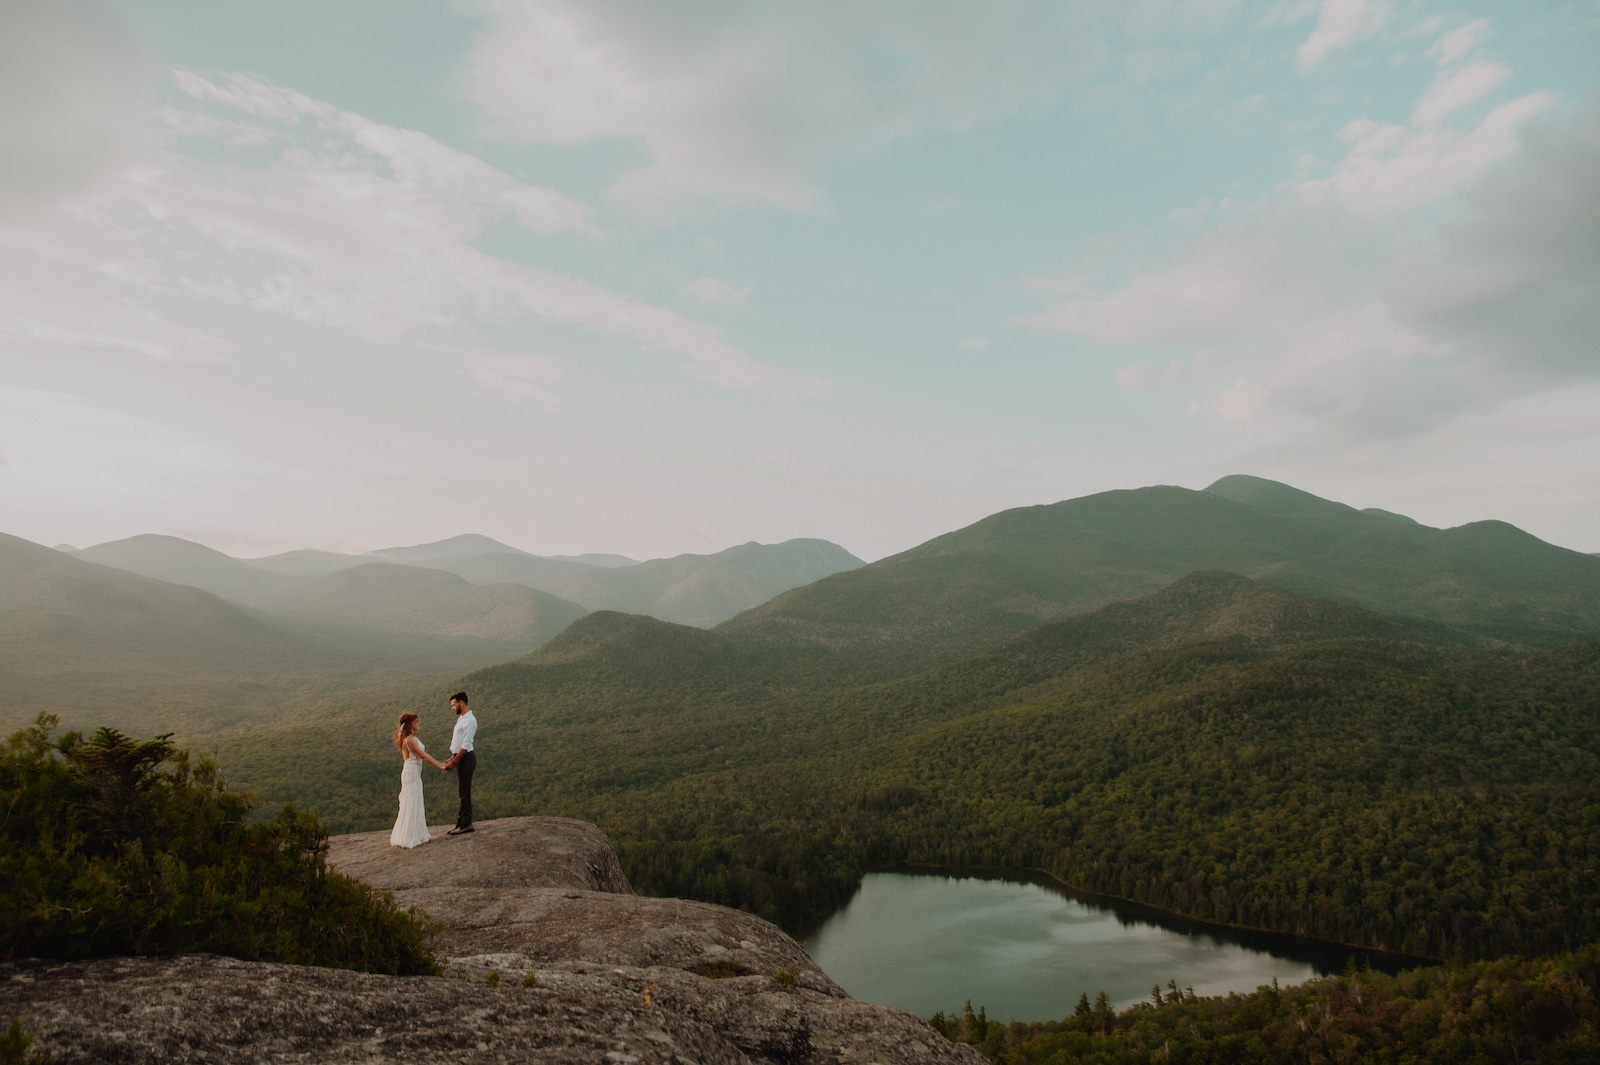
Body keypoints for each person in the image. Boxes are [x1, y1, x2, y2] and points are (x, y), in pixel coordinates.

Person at [389, 711, 447, 848]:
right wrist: (441, 766)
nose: (418, 723)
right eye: (416, 721)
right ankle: (412, 836)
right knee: (411, 802)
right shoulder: (409, 740)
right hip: (411, 773)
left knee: (415, 802)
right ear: (409, 724)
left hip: (413, 772)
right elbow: (424, 756)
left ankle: (419, 833)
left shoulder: (411, 738)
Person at [442, 690, 477, 835]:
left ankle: (466, 824)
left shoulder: (469, 720)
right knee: (462, 791)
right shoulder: (463, 718)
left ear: (461, 703)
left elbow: (466, 745)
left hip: (466, 758)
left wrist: (454, 762)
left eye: (453, 704)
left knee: (464, 791)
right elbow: (459, 743)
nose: (452, 708)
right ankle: (461, 822)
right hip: (460, 757)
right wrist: (451, 758)